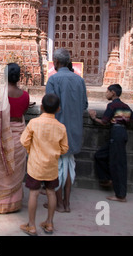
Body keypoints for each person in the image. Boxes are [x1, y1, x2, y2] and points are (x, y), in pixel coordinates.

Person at [20, 93, 69, 236]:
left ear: (41, 107)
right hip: (52, 166)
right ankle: (49, 223)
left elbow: (24, 141)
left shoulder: (34, 123)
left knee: (34, 194)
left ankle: (32, 225)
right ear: (58, 109)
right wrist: (54, 153)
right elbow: (65, 148)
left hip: (35, 165)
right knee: (51, 193)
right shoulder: (61, 127)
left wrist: (31, 150)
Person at [45, 48, 88, 213]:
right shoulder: (79, 80)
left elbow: (50, 107)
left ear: (55, 62)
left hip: (57, 130)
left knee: (56, 167)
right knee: (69, 166)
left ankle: (58, 203)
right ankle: (67, 203)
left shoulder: (53, 80)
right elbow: (84, 105)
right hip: (74, 129)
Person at [0, 63, 32, 214]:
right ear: (19, 77)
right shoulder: (25, 96)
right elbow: (23, 111)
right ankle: (12, 203)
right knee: (13, 171)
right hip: (18, 136)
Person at [88, 84, 133, 203]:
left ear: (113, 93)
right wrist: (123, 118)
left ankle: (120, 195)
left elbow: (105, 121)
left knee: (117, 164)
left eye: (108, 91)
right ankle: (106, 179)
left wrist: (94, 117)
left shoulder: (112, 105)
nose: (106, 93)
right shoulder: (125, 106)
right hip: (122, 133)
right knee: (100, 155)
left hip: (116, 133)